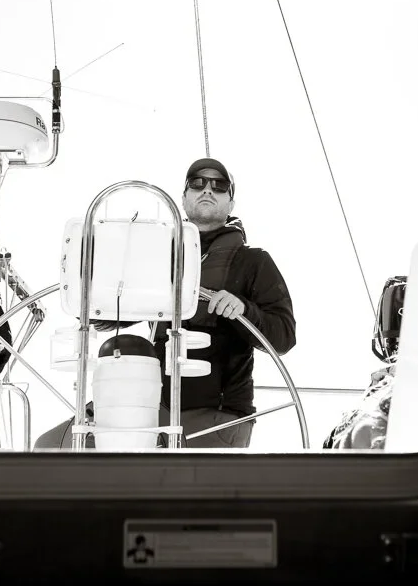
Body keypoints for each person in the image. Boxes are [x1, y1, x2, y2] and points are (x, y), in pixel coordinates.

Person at [34, 157, 296, 449]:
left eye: (219, 186)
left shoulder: (254, 261)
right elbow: (107, 316)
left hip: (218, 418)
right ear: (184, 199)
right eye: (197, 183)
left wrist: (244, 310)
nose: (207, 189)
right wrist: (94, 294)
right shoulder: (157, 254)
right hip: (148, 408)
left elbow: (283, 337)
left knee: (169, 481)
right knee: (49, 447)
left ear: (231, 204)